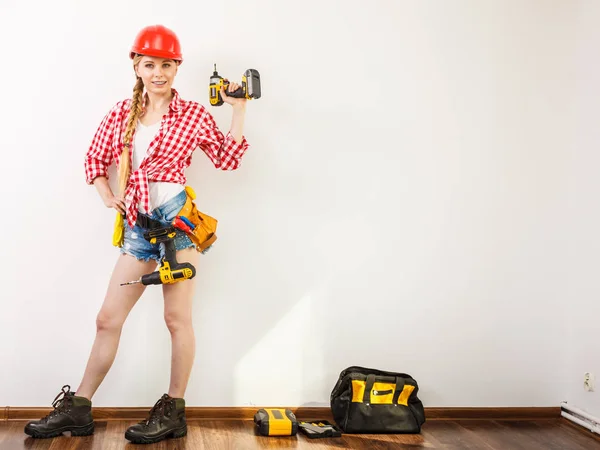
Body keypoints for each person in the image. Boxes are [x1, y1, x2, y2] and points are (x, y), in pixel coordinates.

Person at [24, 24, 250, 444]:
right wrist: (109, 195)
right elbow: (95, 158)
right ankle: (79, 410)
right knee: (107, 319)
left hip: (180, 228)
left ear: (177, 67)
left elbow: (227, 158)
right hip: (138, 232)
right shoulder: (121, 114)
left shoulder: (195, 114)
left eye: (166, 64)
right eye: (150, 64)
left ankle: (173, 410)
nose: (158, 73)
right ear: (137, 66)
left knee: (176, 320)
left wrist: (238, 110)